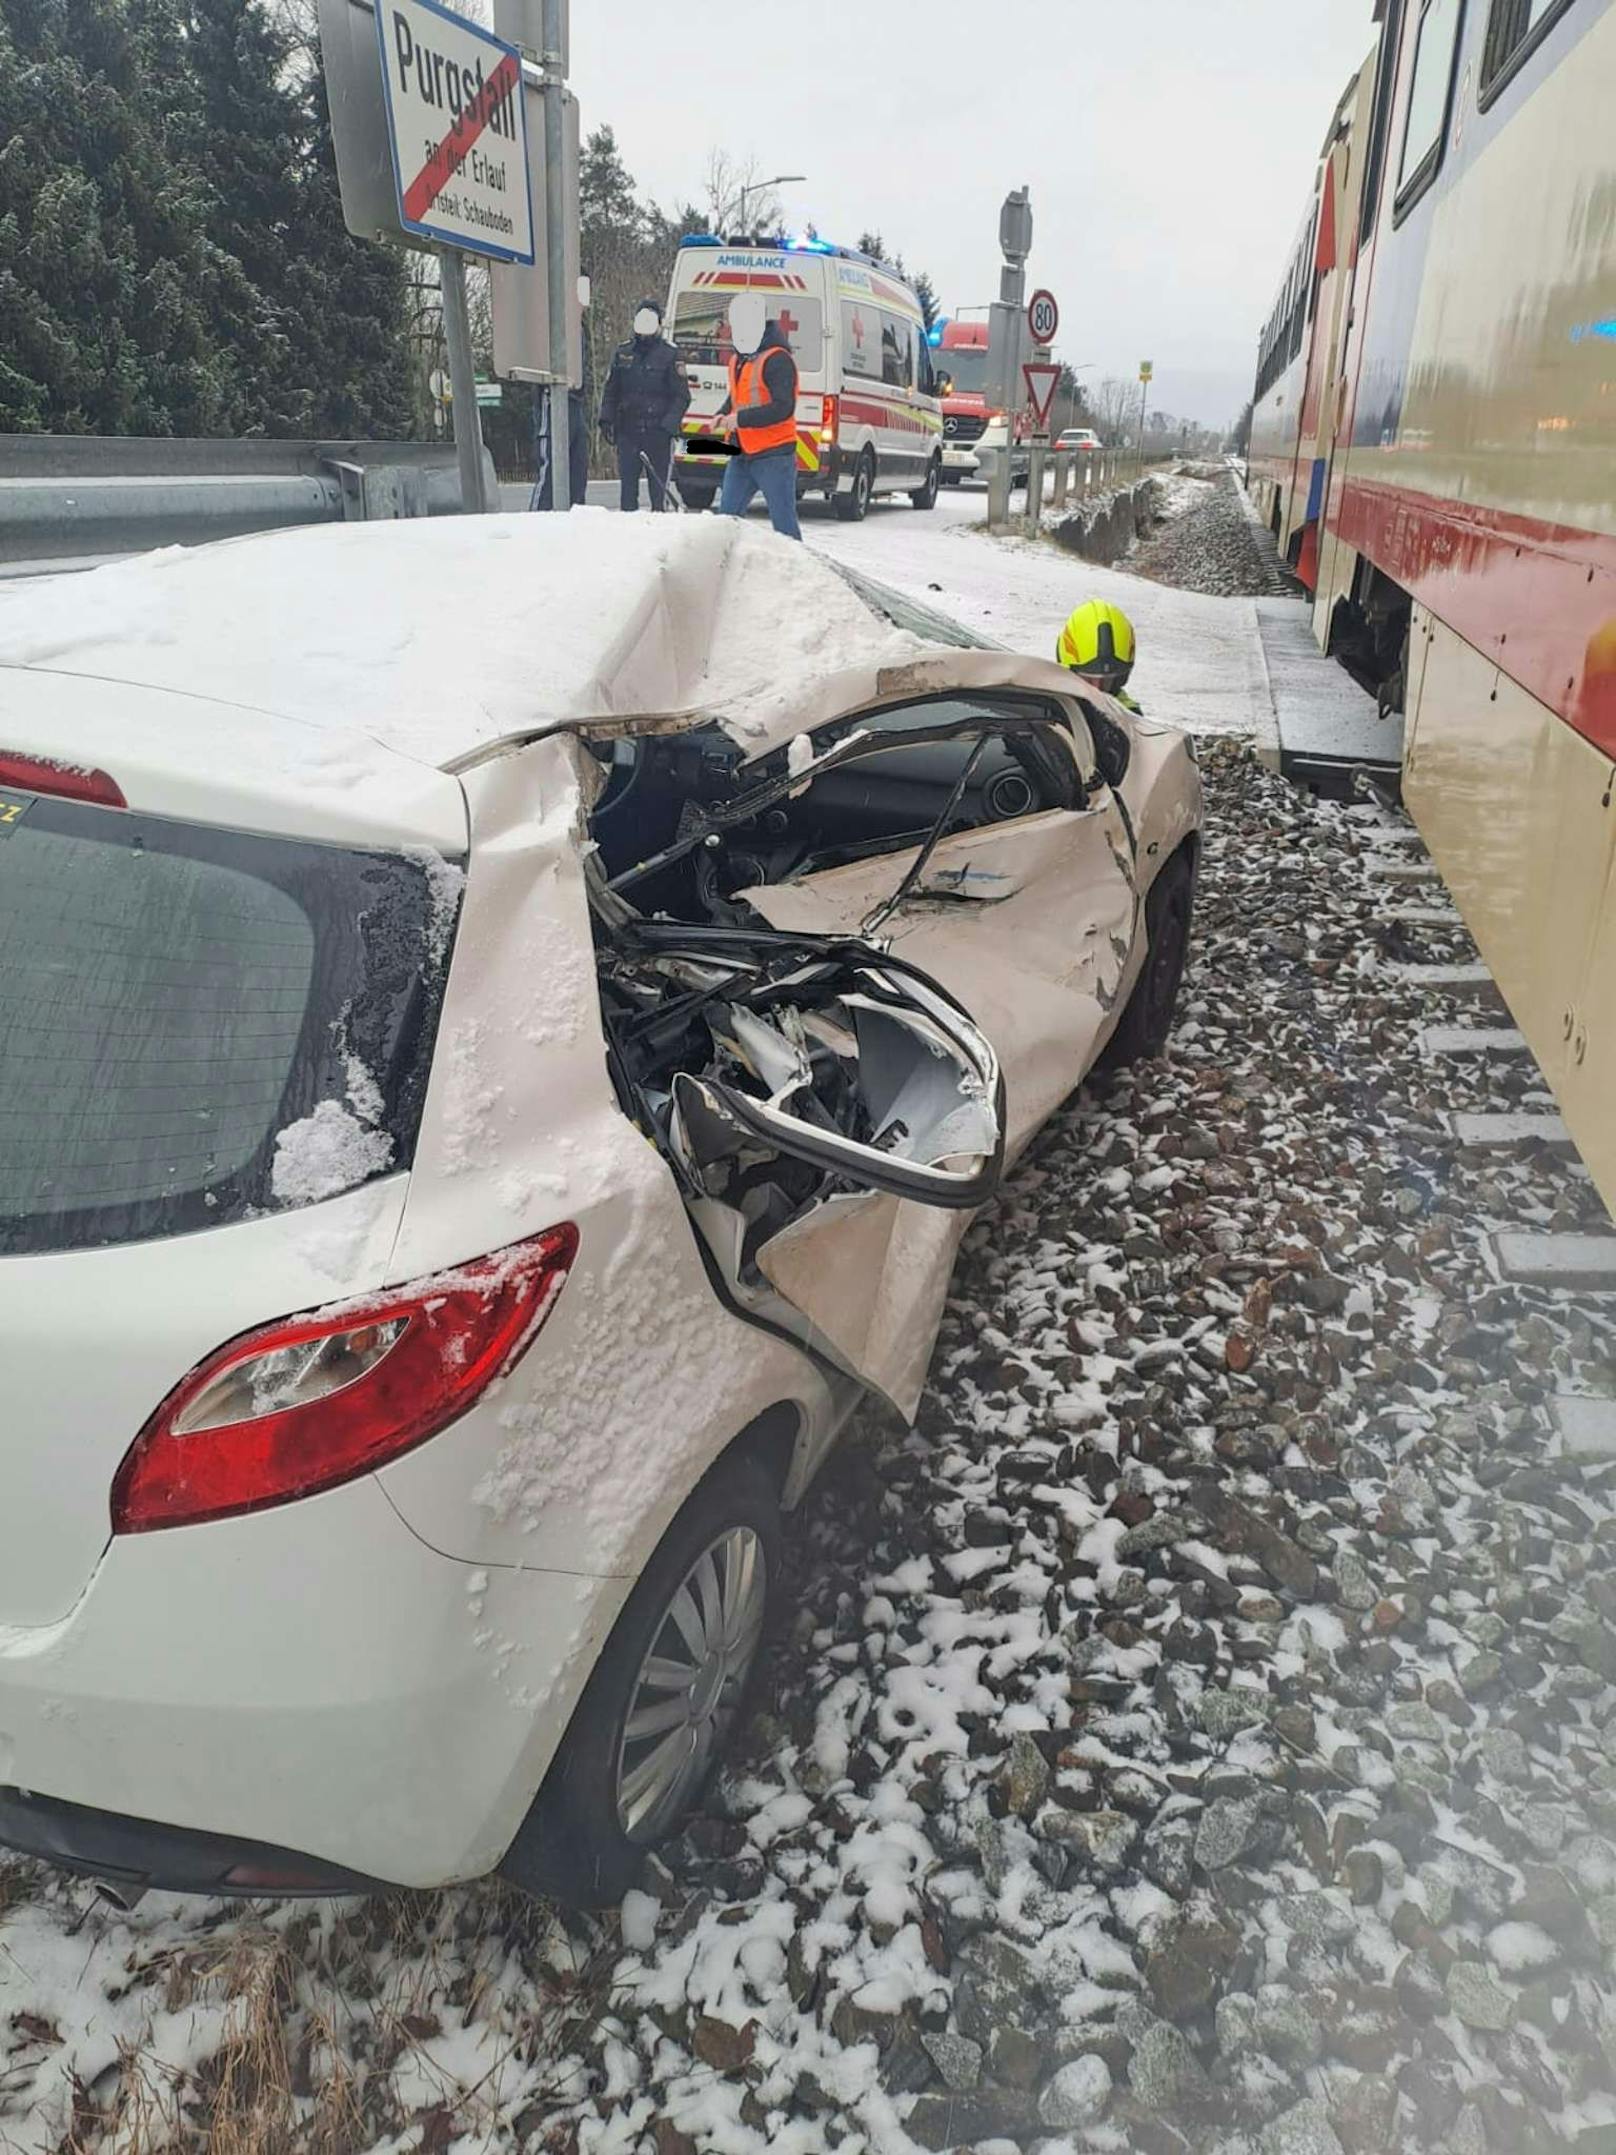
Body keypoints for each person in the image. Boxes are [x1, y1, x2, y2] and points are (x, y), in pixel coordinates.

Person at [714, 293, 802, 541]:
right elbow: (739, 395)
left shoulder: (778, 359)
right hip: (742, 454)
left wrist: (740, 420)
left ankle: (796, 576)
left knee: (784, 529)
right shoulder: (739, 358)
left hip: (774, 455)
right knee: (726, 521)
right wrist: (722, 414)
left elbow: (783, 407)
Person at [597, 299, 689, 513]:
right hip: (628, 431)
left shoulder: (671, 354)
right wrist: (606, 419)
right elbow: (611, 390)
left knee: (659, 496)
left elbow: (681, 396)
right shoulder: (623, 352)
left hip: (658, 432)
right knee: (627, 494)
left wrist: (669, 425)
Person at [1056, 599, 1141, 710]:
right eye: (1088, 680)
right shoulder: (1045, 705)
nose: (1097, 689)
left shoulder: (1129, 718)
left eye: (1106, 682)